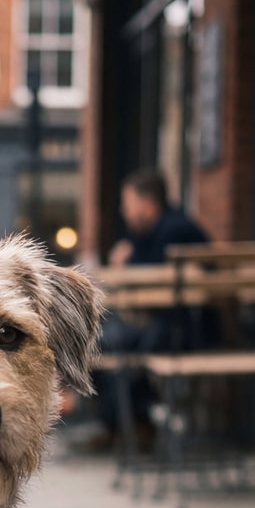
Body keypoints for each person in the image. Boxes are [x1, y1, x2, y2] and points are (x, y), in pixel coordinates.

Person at [90, 167, 211, 448]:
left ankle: (132, 427)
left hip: (183, 329)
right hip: (163, 325)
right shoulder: (152, 232)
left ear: (147, 203)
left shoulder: (175, 230)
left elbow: (157, 283)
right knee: (102, 342)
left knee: (112, 344)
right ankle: (125, 426)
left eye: (128, 203)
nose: (124, 211)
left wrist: (124, 264)